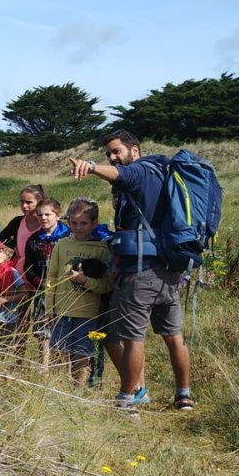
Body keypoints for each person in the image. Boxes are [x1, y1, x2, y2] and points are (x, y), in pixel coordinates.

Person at [70, 129, 194, 411]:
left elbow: (122, 176)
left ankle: (129, 397)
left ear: (134, 150)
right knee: (174, 337)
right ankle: (184, 394)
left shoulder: (138, 171)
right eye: (108, 155)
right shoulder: (162, 172)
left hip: (140, 274)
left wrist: (91, 167)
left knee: (128, 337)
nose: (113, 158)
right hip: (169, 271)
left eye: (117, 152)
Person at [45, 197, 113, 386]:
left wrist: (85, 281)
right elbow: (51, 279)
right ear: (68, 222)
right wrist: (49, 308)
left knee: (82, 355)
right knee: (57, 352)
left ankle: (78, 389)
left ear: (94, 223)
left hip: (87, 313)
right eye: (74, 223)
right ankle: (57, 390)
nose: (79, 227)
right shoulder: (62, 245)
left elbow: (107, 285)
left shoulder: (101, 249)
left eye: (84, 223)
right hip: (61, 311)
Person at [24, 198, 70, 367]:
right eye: (40, 215)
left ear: (57, 216)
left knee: (63, 327)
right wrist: (39, 282)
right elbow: (28, 267)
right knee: (43, 330)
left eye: (48, 214)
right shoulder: (34, 240)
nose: (43, 218)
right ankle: (44, 367)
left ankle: (63, 366)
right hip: (42, 290)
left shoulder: (69, 236)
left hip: (65, 290)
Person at [0, 185, 47, 349]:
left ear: (39, 202)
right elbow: (3, 241)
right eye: (22, 202)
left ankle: (45, 362)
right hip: (20, 277)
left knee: (43, 320)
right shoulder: (17, 222)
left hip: (42, 277)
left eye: (29, 202)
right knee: (21, 318)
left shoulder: (47, 223)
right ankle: (18, 357)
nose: (24, 206)